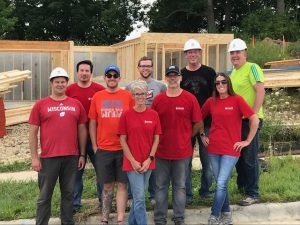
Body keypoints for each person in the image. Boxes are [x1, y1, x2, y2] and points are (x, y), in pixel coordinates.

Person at [29, 67, 87, 225]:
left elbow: (82, 129)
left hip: (71, 157)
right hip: (48, 158)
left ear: (67, 83)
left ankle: (67, 222)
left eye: (63, 82)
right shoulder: (41, 105)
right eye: (57, 82)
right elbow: (33, 132)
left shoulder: (76, 104)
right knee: (44, 196)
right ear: (51, 83)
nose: (60, 84)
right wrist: (35, 157)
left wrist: (82, 154)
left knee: (68, 194)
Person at [200, 73, 259, 225]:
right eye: (217, 82)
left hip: (231, 149)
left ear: (228, 83)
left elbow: (254, 119)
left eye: (223, 82)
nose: (220, 85)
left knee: (220, 183)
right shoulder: (211, 101)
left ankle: (214, 215)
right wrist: (202, 134)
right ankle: (226, 213)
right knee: (222, 183)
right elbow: (198, 117)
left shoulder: (237, 100)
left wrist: (247, 140)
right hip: (213, 148)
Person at [152, 65, 203, 225]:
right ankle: (160, 218)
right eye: (169, 75)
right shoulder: (158, 99)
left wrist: (187, 136)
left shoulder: (189, 98)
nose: (172, 78)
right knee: (160, 186)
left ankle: (179, 217)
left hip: (182, 152)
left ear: (180, 78)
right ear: (165, 78)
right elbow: (153, 124)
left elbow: (198, 122)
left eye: (175, 75)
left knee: (180, 186)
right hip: (161, 152)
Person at [89, 64, 134, 224]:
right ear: (104, 78)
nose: (112, 78)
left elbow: (133, 120)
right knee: (107, 185)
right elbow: (92, 122)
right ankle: (105, 217)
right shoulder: (98, 97)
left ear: (119, 78)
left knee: (122, 185)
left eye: (115, 76)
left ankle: (121, 218)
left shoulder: (127, 96)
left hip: (123, 149)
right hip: (104, 149)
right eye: (109, 75)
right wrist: (95, 146)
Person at [228, 38, 265, 206]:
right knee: (240, 156)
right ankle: (242, 187)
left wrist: (254, 115)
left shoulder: (252, 68)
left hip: (251, 120)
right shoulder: (232, 73)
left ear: (245, 53)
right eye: (232, 53)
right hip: (237, 121)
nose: (235, 55)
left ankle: (253, 193)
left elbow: (260, 90)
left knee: (250, 157)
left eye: (238, 52)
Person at [119, 80, 162, 225]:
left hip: (148, 162)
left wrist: (150, 159)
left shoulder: (153, 115)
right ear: (133, 96)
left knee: (139, 197)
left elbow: (156, 139)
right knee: (139, 198)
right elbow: (123, 140)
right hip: (132, 163)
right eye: (137, 94)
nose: (140, 96)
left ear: (147, 95)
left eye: (142, 94)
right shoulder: (126, 115)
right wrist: (132, 160)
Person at [126, 56, 166, 206]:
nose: (145, 68)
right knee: (134, 163)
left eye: (148, 66)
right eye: (142, 66)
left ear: (152, 67)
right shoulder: (130, 86)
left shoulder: (160, 87)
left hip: (152, 129)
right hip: (135, 130)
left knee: (152, 161)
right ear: (138, 68)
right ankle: (132, 196)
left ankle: (153, 195)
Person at [66, 60, 105, 212]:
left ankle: (104, 203)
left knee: (101, 172)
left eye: (87, 71)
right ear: (77, 73)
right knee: (75, 174)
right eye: (81, 70)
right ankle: (75, 204)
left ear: (91, 73)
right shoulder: (69, 90)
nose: (84, 73)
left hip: (97, 140)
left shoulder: (99, 90)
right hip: (75, 141)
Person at [180, 39, 216, 203]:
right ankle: (187, 194)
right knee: (185, 160)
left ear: (199, 53)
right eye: (189, 52)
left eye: (195, 51)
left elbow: (216, 96)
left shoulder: (209, 72)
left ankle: (205, 190)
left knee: (207, 159)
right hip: (186, 125)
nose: (193, 54)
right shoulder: (181, 74)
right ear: (186, 55)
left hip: (207, 123)